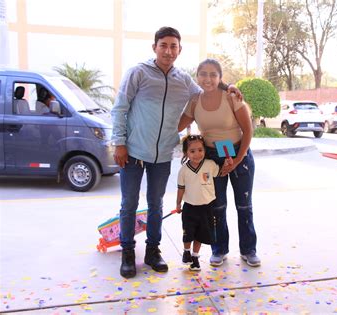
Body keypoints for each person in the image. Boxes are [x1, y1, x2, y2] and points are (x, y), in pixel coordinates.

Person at [111, 27, 241, 279]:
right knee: (128, 204)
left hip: (162, 154)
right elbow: (120, 108)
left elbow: (207, 89)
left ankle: (152, 251)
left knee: (156, 205)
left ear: (179, 50)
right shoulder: (138, 72)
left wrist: (229, 85)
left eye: (173, 46)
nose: (168, 51)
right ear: (154, 47)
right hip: (134, 151)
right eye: (164, 45)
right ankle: (127, 251)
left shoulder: (183, 79)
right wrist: (119, 142)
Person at [178, 59, 260, 267]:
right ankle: (219, 249)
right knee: (217, 206)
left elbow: (248, 130)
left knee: (244, 205)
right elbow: (178, 124)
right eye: (203, 74)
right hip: (212, 158)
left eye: (213, 74)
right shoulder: (195, 101)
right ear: (197, 77)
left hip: (239, 153)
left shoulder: (231, 97)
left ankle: (249, 250)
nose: (208, 78)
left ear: (220, 77)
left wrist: (237, 160)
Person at [176, 135, 222, 271]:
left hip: (207, 207)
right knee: (188, 233)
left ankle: (195, 258)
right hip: (189, 207)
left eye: (200, 150)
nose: (197, 154)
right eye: (192, 151)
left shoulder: (210, 165)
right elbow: (181, 188)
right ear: (186, 153)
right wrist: (178, 204)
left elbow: (220, 173)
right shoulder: (183, 170)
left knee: (201, 234)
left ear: (205, 150)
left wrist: (228, 163)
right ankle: (186, 251)